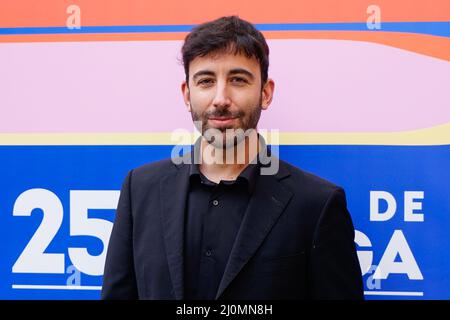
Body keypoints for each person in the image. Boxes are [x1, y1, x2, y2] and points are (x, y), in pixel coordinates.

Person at [101, 16, 364, 300]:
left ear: (265, 92)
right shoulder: (140, 189)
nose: (221, 98)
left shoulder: (317, 204)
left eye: (238, 80)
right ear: (187, 94)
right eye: (206, 81)